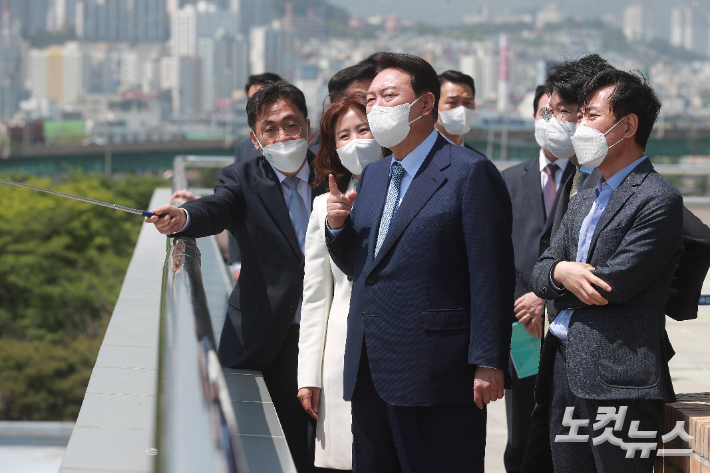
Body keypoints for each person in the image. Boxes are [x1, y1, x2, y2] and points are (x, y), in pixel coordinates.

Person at [325, 52, 514, 473]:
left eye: (388, 96)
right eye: (370, 98)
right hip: (371, 366)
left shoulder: (470, 173)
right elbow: (364, 264)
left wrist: (489, 360)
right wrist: (337, 228)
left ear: (425, 104)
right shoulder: (373, 175)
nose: (375, 107)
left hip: (438, 373)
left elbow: (491, 274)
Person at [146, 81, 324, 473]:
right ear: (255, 138)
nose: (283, 136)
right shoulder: (242, 177)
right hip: (272, 333)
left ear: (308, 128)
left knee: (335, 443)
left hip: (330, 329)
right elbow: (217, 208)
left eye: (291, 125)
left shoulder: (333, 172)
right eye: (271, 129)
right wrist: (184, 218)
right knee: (288, 444)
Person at [532, 68, 683, 473]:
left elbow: (611, 284)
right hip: (564, 368)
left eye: (591, 115)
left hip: (619, 380)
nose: (579, 126)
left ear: (628, 125)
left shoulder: (658, 199)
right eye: (579, 116)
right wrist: (562, 272)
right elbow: (541, 269)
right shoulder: (584, 195)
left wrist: (559, 278)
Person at [297, 94, 384, 472]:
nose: (355, 142)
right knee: (345, 459)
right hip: (342, 354)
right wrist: (308, 375)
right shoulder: (324, 207)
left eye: (362, 130)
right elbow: (316, 297)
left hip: (400, 355)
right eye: (343, 136)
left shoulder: (412, 192)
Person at [500, 85, 575, 473]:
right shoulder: (508, 180)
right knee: (523, 431)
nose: (554, 122)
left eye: (563, 113)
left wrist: (544, 299)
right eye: (546, 113)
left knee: (567, 433)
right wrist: (523, 305)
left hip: (569, 322)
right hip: (521, 328)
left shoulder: (587, 178)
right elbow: (498, 253)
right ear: (533, 119)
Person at [170, 72, 283, 281]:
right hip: (254, 263)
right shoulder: (244, 147)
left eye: (266, 96)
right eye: (253, 100)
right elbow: (234, 201)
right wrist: (237, 261)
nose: (258, 104)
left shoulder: (306, 147)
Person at [434, 70, 486, 156]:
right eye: (452, 102)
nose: (462, 109)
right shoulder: (417, 155)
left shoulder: (479, 160)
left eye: (467, 103)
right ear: (433, 105)